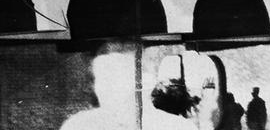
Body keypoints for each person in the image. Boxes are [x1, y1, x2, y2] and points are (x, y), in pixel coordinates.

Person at [60, 44, 196, 130]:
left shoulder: (176, 127)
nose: (107, 90)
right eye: (102, 80)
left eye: (116, 79)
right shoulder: (78, 125)